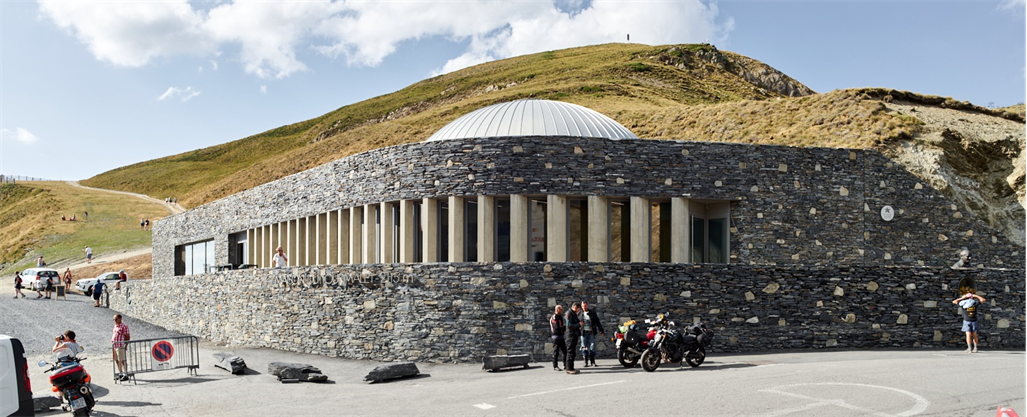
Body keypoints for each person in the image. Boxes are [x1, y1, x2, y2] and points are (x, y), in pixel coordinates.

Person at [579, 301, 605, 367]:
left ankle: (592, 362)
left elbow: (597, 322)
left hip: (591, 332)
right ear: (581, 306)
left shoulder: (592, 313)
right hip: (583, 333)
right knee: (584, 347)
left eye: (585, 306)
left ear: (587, 305)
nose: (584, 307)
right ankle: (585, 362)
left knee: (592, 347)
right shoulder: (579, 313)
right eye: (583, 306)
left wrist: (601, 330)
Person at [563, 302, 582, 374]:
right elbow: (569, 325)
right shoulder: (569, 313)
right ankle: (569, 368)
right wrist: (578, 324)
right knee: (570, 351)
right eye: (578, 309)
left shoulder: (572, 313)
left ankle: (571, 367)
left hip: (573, 335)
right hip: (570, 335)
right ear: (575, 307)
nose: (578, 311)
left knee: (572, 351)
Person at [111, 314, 131, 381]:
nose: (115, 321)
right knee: (116, 360)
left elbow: (127, 336)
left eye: (116, 319)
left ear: (120, 319)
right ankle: (120, 373)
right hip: (115, 345)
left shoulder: (124, 326)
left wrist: (126, 345)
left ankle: (126, 374)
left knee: (122, 360)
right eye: (114, 319)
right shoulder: (115, 326)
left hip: (120, 345)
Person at [549, 305, 567, 371]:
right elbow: (556, 327)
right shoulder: (554, 317)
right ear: (558, 310)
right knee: (556, 352)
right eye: (561, 309)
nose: (562, 311)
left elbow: (561, 326)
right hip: (555, 337)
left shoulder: (560, 317)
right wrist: (563, 328)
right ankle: (555, 366)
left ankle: (565, 365)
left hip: (561, 336)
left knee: (564, 351)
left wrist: (563, 328)